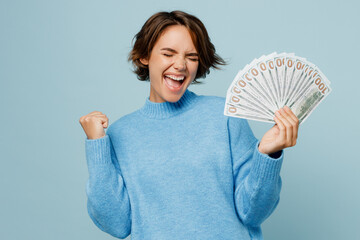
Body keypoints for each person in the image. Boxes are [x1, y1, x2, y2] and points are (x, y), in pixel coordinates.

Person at [79, 10, 299, 240]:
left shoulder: (224, 116)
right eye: (168, 54)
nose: (181, 65)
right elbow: (117, 224)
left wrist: (267, 155)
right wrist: (97, 145)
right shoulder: (120, 134)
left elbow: (253, 213)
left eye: (192, 57)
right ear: (145, 56)